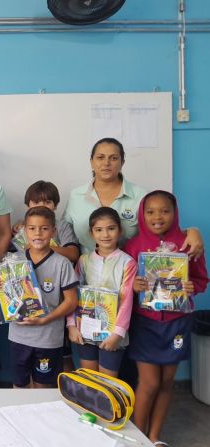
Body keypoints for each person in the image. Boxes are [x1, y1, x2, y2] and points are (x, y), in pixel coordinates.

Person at [125, 191, 208, 444]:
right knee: (149, 383)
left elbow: (200, 279)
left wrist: (192, 286)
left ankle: (155, 437)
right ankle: (139, 438)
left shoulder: (188, 244)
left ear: (175, 213)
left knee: (167, 382)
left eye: (164, 211)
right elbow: (123, 285)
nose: (157, 217)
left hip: (176, 322)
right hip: (145, 322)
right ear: (142, 214)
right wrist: (134, 287)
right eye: (150, 211)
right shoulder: (133, 246)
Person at [63, 138, 204, 257]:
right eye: (100, 157)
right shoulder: (76, 196)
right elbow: (63, 233)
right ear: (92, 162)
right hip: (86, 272)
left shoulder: (141, 196)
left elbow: (161, 228)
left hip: (131, 274)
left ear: (122, 162)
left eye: (113, 158)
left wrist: (192, 231)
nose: (106, 163)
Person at [0, 207, 78, 388]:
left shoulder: (62, 263)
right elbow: (6, 295)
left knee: (43, 388)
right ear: (24, 231)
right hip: (19, 336)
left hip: (49, 338)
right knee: (19, 386)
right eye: (32, 228)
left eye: (44, 228)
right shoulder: (13, 260)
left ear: (53, 231)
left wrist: (46, 318)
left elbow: (71, 301)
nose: (38, 233)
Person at [66, 207, 136, 377]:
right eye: (99, 230)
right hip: (85, 330)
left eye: (111, 228)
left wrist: (118, 334)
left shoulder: (127, 262)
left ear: (120, 231)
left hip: (112, 334)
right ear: (91, 233)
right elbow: (72, 294)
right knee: (88, 379)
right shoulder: (84, 261)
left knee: (107, 382)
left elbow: (126, 301)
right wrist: (71, 325)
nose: (105, 235)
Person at [12, 180, 79, 262]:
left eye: (47, 202)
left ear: (55, 206)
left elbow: (73, 254)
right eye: (36, 202)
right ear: (28, 206)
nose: (42, 206)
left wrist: (41, 247)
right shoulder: (22, 229)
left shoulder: (62, 226)